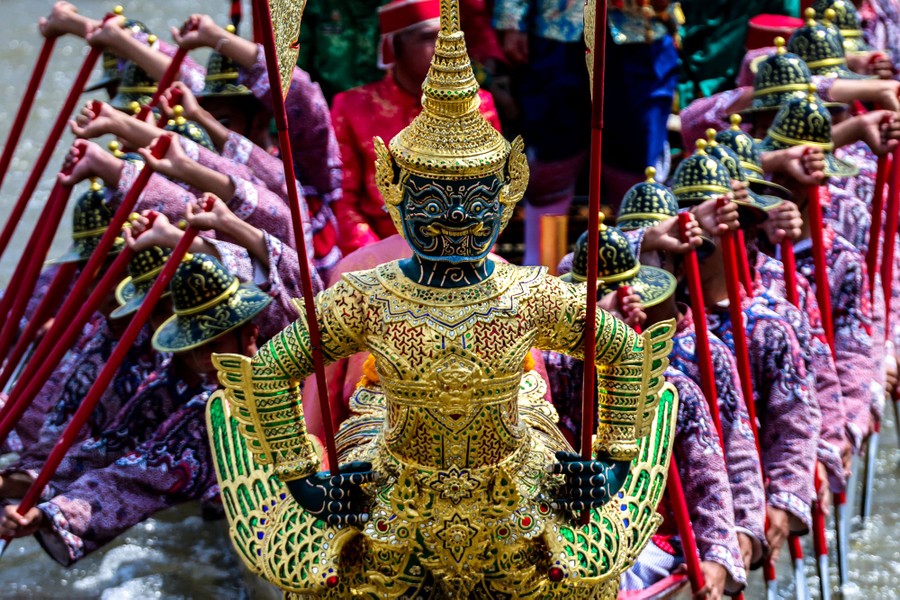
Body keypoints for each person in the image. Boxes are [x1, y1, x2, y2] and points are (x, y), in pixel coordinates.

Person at [0, 253, 272, 566]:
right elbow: (125, 463)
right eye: (192, 344)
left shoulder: (287, 355)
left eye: (212, 344)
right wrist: (35, 506)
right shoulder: (197, 400)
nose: (201, 359)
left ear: (251, 333)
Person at [329, 0, 502, 254]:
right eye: (428, 38)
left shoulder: (478, 105)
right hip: (377, 258)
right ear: (394, 48)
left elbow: (492, 194)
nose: (444, 50)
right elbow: (341, 198)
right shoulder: (351, 107)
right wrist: (378, 258)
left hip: (463, 252)